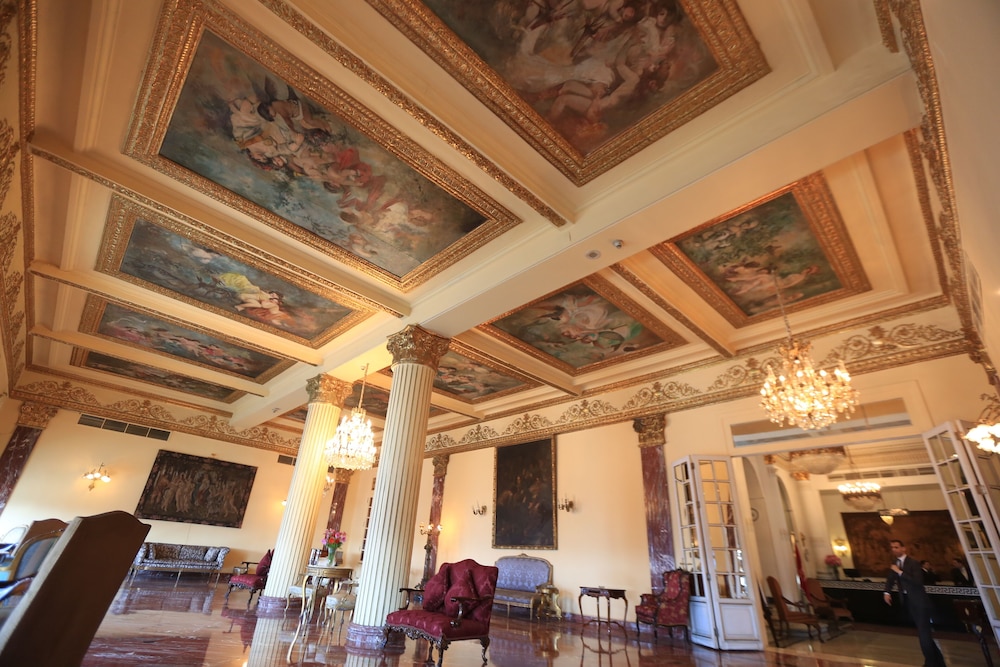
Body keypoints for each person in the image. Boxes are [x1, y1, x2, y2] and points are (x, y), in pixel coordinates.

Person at [884, 540, 947, 667]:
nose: (894, 549)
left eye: (896, 547)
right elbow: (890, 579)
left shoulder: (913, 563)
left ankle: (930, 663)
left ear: (903, 548)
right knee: (923, 632)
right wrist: (887, 592)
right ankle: (938, 661)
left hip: (920, 602)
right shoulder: (895, 563)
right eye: (892, 547)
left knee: (923, 633)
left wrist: (900, 572)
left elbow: (917, 582)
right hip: (908, 601)